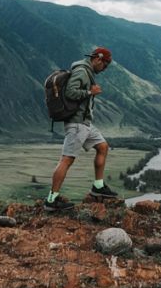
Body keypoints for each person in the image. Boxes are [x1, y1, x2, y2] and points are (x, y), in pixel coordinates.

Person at [44, 46, 118, 211]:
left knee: (103, 147)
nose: (104, 69)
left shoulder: (87, 71)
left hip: (85, 123)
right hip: (76, 124)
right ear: (98, 59)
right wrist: (90, 92)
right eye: (104, 65)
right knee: (67, 159)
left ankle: (98, 186)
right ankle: (51, 200)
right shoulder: (82, 72)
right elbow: (71, 92)